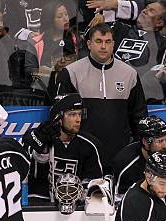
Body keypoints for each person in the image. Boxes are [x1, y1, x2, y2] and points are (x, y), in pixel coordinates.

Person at [56, 23, 147, 173]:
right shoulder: (71, 73)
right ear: (89, 44)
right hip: (81, 156)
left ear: (114, 44)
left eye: (108, 41)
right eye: (98, 41)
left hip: (120, 156)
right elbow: (59, 118)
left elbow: (139, 116)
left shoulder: (129, 74)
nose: (103, 46)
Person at [22, 94, 104, 203]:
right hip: (41, 202)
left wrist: (76, 196)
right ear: (58, 117)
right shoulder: (38, 136)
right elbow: (32, 176)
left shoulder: (90, 145)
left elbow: (94, 182)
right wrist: (43, 149)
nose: (78, 120)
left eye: (79, 114)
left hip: (75, 204)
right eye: (72, 114)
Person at [113, 115, 166, 198]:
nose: (165, 146)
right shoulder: (124, 162)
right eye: (160, 141)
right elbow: (120, 199)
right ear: (145, 142)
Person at [25, 1, 79, 88]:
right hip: (45, 87)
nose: (65, 19)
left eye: (66, 14)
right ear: (50, 20)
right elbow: (29, 70)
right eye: (60, 16)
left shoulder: (76, 39)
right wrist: (49, 71)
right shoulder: (35, 43)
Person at [112, 0, 166, 76]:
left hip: (138, 83)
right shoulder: (120, 28)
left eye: (151, 11)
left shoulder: (163, 42)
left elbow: (156, 70)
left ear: (159, 23)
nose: (144, 11)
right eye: (146, 8)